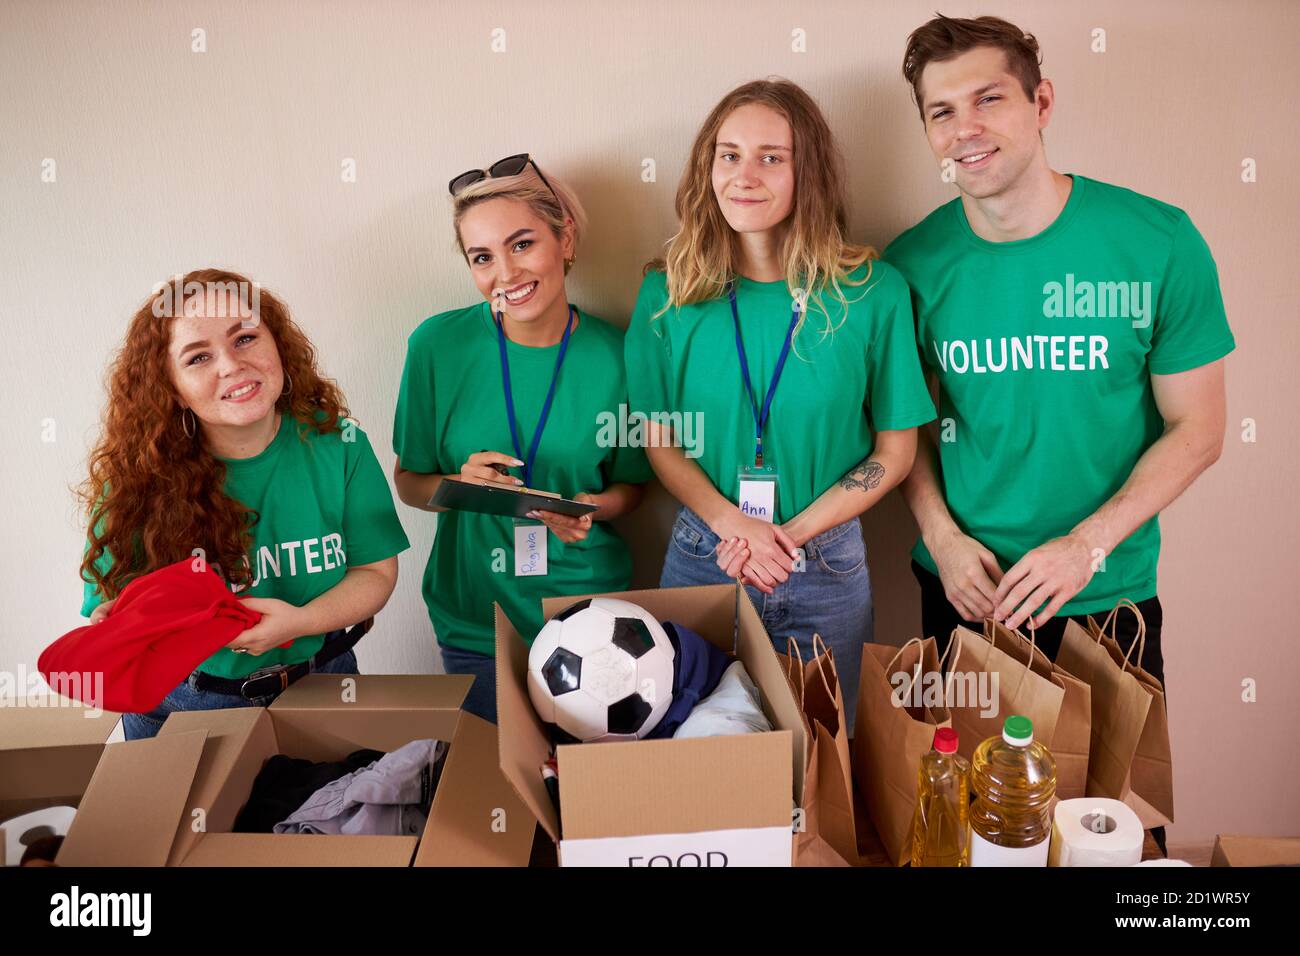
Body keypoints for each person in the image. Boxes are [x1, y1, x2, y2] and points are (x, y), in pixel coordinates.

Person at [885, 15, 1234, 796]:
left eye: (988, 99)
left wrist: (1086, 545)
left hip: (1108, 593)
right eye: (940, 112)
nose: (964, 129)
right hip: (965, 592)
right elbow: (899, 434)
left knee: (1112, 826)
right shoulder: (909, 267)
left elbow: (1200, 428)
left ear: (1042, 102)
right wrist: (940, 538)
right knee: (975, 823)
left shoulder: (1157, 241)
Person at [625, 80, 936, 725]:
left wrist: (785, 539)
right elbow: (661, 443)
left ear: (808, 173)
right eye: (728, 154)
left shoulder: (872, 292)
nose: (744, 175)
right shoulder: (667, 292)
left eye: (772, 156)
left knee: (822, 758)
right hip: (705, 551)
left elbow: (896, 451)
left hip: (823, 558)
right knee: (693, 755)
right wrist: (732, 525)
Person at [80, 269, 410, 739]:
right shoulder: (135, 477)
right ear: (171, 388)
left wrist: (300, 622)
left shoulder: (339, 441)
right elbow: (110, 606)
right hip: (186, 705)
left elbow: (375, 572)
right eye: (198, 357)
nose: (232, 366)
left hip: (325, 682)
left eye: (245, 338)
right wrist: (116, 620)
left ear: (277, 343)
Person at [393, 155, 651, 723]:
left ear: (566, 240)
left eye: (522, 244)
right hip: (474, 616)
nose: (504, 274)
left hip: (583, 612)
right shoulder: (436, 346)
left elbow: (634, 486)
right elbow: (408, 480)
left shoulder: (620, 356)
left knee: (583, 798)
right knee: (494, 793)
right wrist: (454, 485)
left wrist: (591, 507)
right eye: (482, 257)